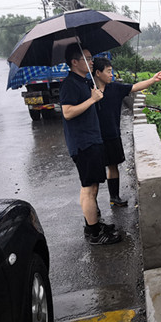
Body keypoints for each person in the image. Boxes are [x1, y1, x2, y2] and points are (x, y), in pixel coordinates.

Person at [59, 43, 121, 245]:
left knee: (92, 186)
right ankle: (95, 234)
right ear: (74, 62)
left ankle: (92, 225)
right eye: (87, 58)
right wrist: (92, 100)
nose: (91, 61)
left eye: (91, 58)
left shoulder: (84, 81)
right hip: (83, 143)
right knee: (88, 188)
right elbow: (68, 112)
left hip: (92, 140)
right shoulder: (70, 84)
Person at [92, 57, 161, 206]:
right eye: (108, 71)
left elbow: (135, 87)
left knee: (113, 166)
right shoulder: (88, 90)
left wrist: (152, 80)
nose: (111, 75)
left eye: (111, 71)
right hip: (94, 137)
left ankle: (114, 197)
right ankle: (92, 205)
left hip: (112, 134)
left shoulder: (115, 88)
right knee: (95, 172)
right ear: (98, 73)